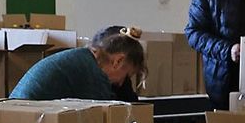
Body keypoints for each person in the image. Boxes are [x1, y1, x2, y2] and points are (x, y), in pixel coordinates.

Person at [9, 25, 145, 101]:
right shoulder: (92, 74)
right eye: (126, 75)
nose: (121, 83)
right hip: (24, 122)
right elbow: (107, 119)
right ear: (118, 61)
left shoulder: (84, 59)